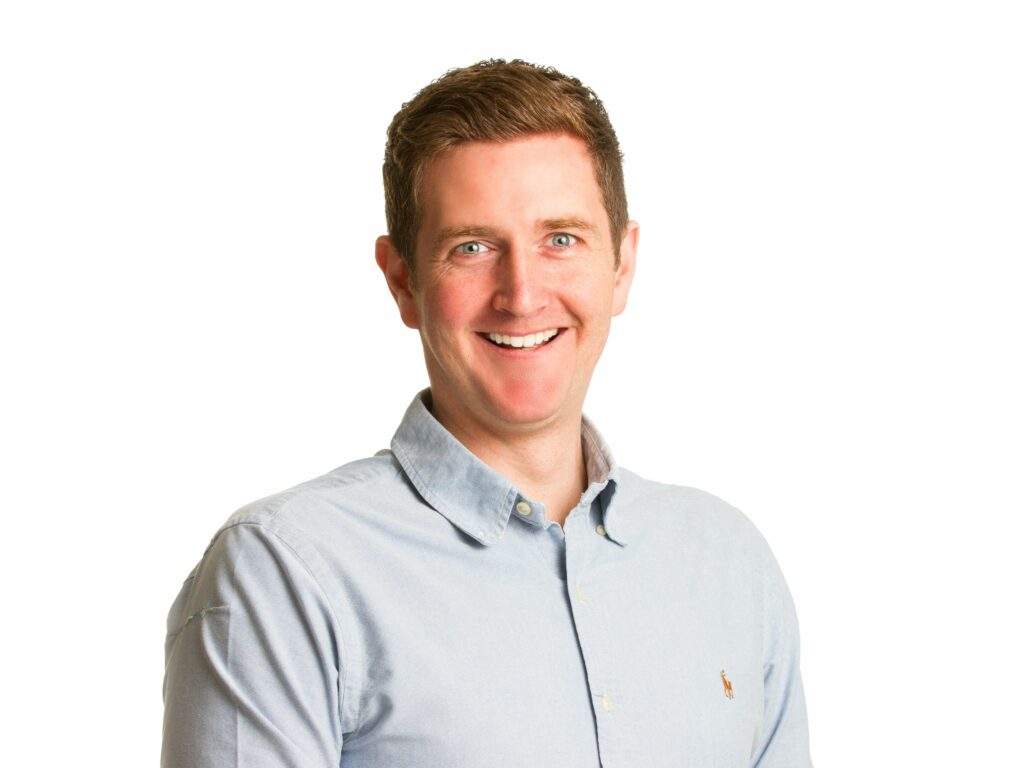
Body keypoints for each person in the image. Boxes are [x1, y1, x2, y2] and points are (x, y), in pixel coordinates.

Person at [161, 58, 813, 768]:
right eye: (471, 248)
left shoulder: (728, 564)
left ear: (621, 266)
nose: (522, 293)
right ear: (402, 281)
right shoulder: (286, 574)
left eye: (560, 239)